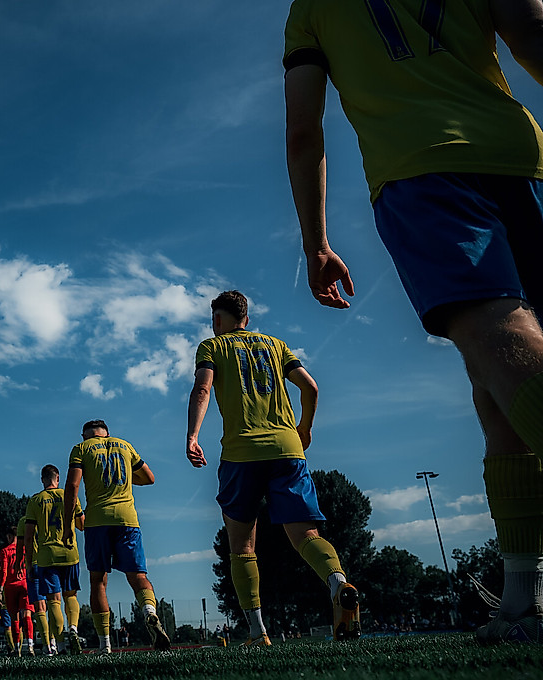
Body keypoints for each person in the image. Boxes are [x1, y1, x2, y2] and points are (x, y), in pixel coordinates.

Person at [282, 0, 543, 645]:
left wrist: (315, 242)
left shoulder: (311, 8)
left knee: (495, 335)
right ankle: (522, 595)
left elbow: (303, 133)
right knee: (496, 381)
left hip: (419, 169)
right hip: (519, 156)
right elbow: (531, 29)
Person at [186, 291, 358, 644]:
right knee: (306, 536)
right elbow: (310, 387)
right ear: (246, 319)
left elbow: (202, 390)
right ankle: (338, 583)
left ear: (218, 320)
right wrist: (305, 428)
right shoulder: (276, 345)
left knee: (242, 546)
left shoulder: (211, 347)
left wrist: (192, 436)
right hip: (287, 449)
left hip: (241, 453)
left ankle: (257, 631)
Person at [64, 420, 170, 653]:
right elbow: (149, 478)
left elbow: (72, 486)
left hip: (97, 521)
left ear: (85, 436)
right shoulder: (125, 446)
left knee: (98, 581)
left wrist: (66, 524)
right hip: (127, 519)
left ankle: (105, 644)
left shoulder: (81, 449)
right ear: (107, 434)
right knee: (139, 576)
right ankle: (150, 612)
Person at [24, 464, 85, 655]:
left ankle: (59, 645)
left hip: (46, 556)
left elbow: (28, 536)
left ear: (42, 479)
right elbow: (82, 525)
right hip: (69, 553)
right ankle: (73, 628)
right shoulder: (69, 495)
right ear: (57, 479)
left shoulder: (35, 501)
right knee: (71, 596)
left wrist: (27, 562)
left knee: (53, 601)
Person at [0, 529, 33, 656]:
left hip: (11, 586)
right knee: (27, 616)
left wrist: (0, 588)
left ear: (9, 537)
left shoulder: (5, 551)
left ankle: (17, 648)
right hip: (25, 583)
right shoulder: (25, 549)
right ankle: (30, 645)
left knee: (14, 618)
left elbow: (4, 571)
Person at [16, 514, 51, 655]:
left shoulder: (24, 521)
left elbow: (24, 542)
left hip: (34, 565)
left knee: (37, 609)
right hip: (52, 561)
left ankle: (46, 645)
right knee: (54, 603)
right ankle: (57, 643)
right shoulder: (47, 516)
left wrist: (20, 563)